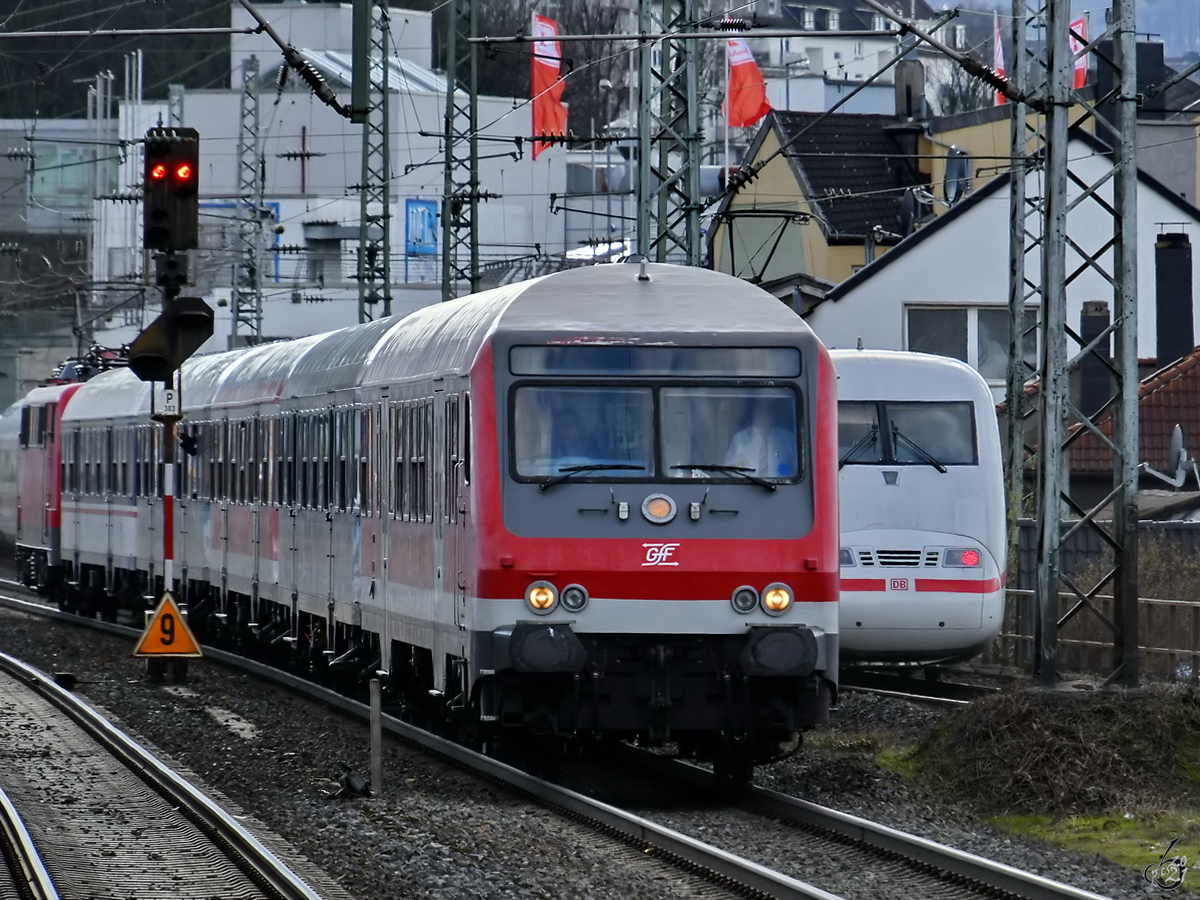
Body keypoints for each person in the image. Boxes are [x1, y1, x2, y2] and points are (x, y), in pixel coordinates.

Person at [724, 400, 798, 478]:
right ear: (753, 412)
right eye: (761, 410)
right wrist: (736, 467)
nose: (765, 413)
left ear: (775, 413)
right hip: (747, 485)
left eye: (769, 410)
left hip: (781, 485)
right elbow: (728, 471)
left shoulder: (788, 438)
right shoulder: (740, 438)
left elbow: (798, 469)